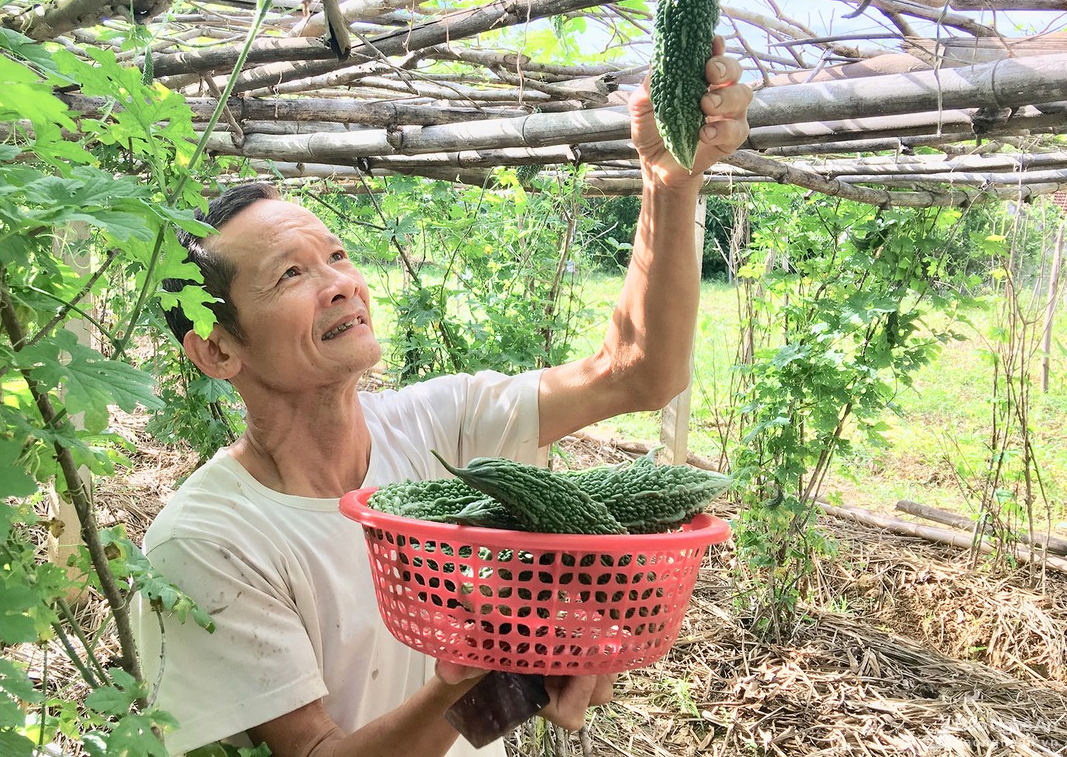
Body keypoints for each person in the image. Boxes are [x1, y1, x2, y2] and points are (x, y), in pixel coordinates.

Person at [134, 38, 752, 757]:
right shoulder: (207, 542)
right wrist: (460, 676)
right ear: (216, 349)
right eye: (290, 274)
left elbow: (637, 372)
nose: (340, 282)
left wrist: (668, 182)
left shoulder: (439, 422)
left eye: (336, 255)